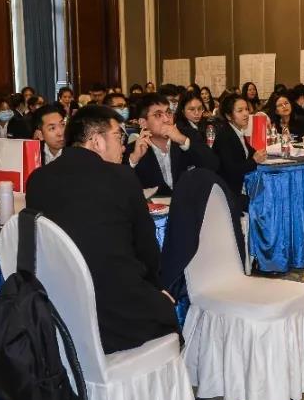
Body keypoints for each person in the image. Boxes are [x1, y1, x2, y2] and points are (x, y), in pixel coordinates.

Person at [25, 105, 180, 354]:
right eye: (119, 137)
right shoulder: (121, 177)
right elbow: (147, 250)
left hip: (59, 315)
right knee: (169, 309)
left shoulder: (37, 180)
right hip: (117, 316)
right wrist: (155, 290)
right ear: (97, 141)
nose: (123, 146)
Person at [126, 93, 218, 196]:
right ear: (143, 122)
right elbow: (123, 188)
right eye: (158, 115)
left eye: (169, 113)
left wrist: (183, 141)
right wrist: (134, 160)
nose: (167, 119)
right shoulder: (134, 149)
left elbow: (213, 165)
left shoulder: (188, 136)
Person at [212, 94, 267, 214]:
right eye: (240, 111)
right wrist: (254, 161)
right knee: (266, 204)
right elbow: (231, 169)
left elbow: (251, 153)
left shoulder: (237, 131)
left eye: (246, 109)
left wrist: (259, 155)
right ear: (228, 115)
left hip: (239, 187)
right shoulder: (225, 136)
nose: (246, 114)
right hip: (229, 192)